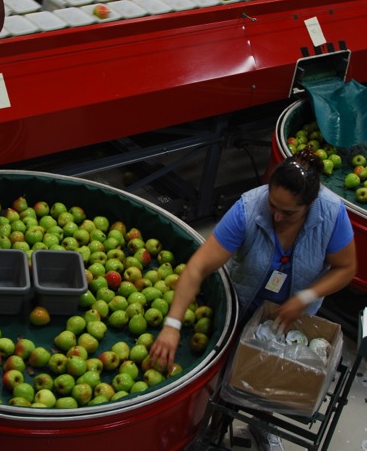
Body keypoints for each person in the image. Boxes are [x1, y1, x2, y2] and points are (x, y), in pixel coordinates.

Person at [149, 148, 356, 450]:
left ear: (310, 204)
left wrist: (306, 297)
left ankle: (262, 424)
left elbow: (345, 268)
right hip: (243, 306)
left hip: (287, 318)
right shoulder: (248, 209)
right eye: (273, 205)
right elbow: (197, 268)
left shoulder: (332, 214)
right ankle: (208, 431)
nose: (277, 216)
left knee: (270, 380)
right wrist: (171, 323)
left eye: (289, 213)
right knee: (224, 381)